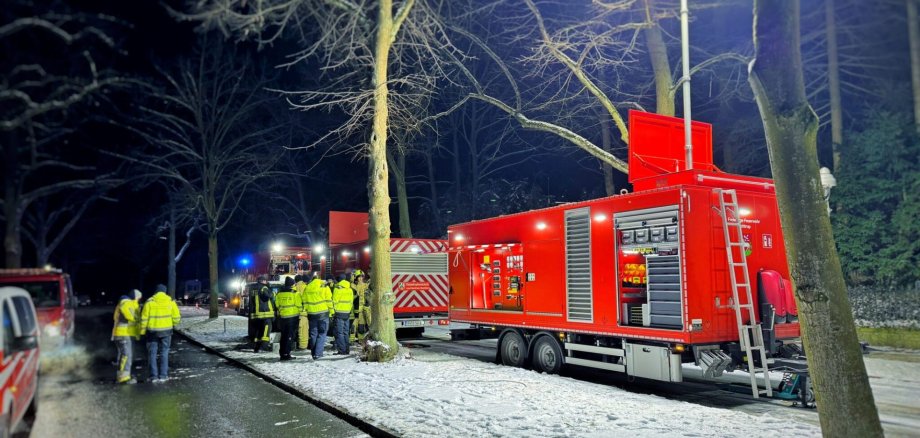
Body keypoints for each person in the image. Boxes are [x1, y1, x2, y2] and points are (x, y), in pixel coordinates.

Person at [140, 284, 180, 383]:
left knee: (152, 354)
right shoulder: (170, 302)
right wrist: (173, 324)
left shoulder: (149, 302)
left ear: (156, 291)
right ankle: (163, 375)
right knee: (164, 352)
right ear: (165, 292)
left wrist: (142, 331)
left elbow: (144, 318)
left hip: (152, 332)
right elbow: (176, 317)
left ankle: (153, 376)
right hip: (166, 331)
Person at [112, 289, 142, 384]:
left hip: (123, 334)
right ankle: (123, 378)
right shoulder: (126, 303)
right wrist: (137, 312)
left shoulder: (125, 303)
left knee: (125, 355)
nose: (139, 301)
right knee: (126, 356)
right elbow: (131, 316)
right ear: (135, 297)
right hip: (123, 334)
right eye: (138, 298)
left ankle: (124, 375)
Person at [303, 273, 332, 359]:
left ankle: (314, 353)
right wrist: (331, 312)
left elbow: (304, 301)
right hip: (323, 314)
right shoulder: (324, 286)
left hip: (312, 314)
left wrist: (307, 310)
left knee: (313, 334)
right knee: (322, 333)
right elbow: (329, 300)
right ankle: (318, 353)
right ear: (319, 279)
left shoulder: (307, 288)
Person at [274, 277, 302, 361]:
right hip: (292, 317)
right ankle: (286, 354)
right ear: (292, 284)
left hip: (283, 317)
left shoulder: (279, 293)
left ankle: (282, 353)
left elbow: (277, 304)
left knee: (283, 336)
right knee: (289, 336)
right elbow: (299, 305)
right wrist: (301, 313)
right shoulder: (295, 293)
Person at [251, 276, 275, 353]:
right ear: (263, 281)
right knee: (266, 329)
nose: (266, 282)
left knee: (259, 331)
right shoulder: (264, 288)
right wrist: (272, 293)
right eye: (265, 281)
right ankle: (264, 346)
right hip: (265, 313)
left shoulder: (253, 289)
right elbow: (268, 296)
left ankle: (256, 347)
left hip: (257, 314)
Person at [332, 274, 354, 355]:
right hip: (347, 313)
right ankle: (347, 349)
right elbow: (351, 302)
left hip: (339, 313)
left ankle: (342, 350)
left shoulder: (337, 289)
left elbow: (334, 301)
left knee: (340, 332)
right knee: (346, 332)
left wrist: (334, 312)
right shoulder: (350, 289)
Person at [351, 271, 370, 343]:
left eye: (362, 277)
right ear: (356, 278)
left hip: (362, 309)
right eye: (359, 277)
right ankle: (351, 341)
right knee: (353, 326)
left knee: (361, 326)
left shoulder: (366, 285)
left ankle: (361, 340)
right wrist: (352, 279)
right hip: (354, 309)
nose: (360, 278)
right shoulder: (353, 285)